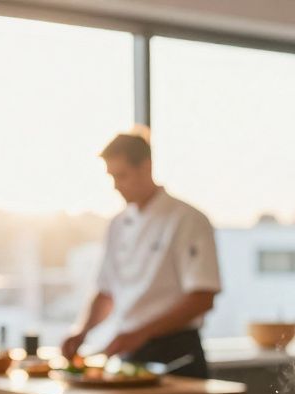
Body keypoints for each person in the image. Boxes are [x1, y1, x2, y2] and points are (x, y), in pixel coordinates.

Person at [61, 132, 220, 379]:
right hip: (129, 352)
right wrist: (81, 332)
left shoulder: (188, 219)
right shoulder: (118, 224)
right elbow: (106, 293)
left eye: (122, 176)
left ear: (146, 167)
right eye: (111, 177)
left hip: (176, 353)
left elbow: (202, 297)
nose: (115, 186)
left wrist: (141, 333)